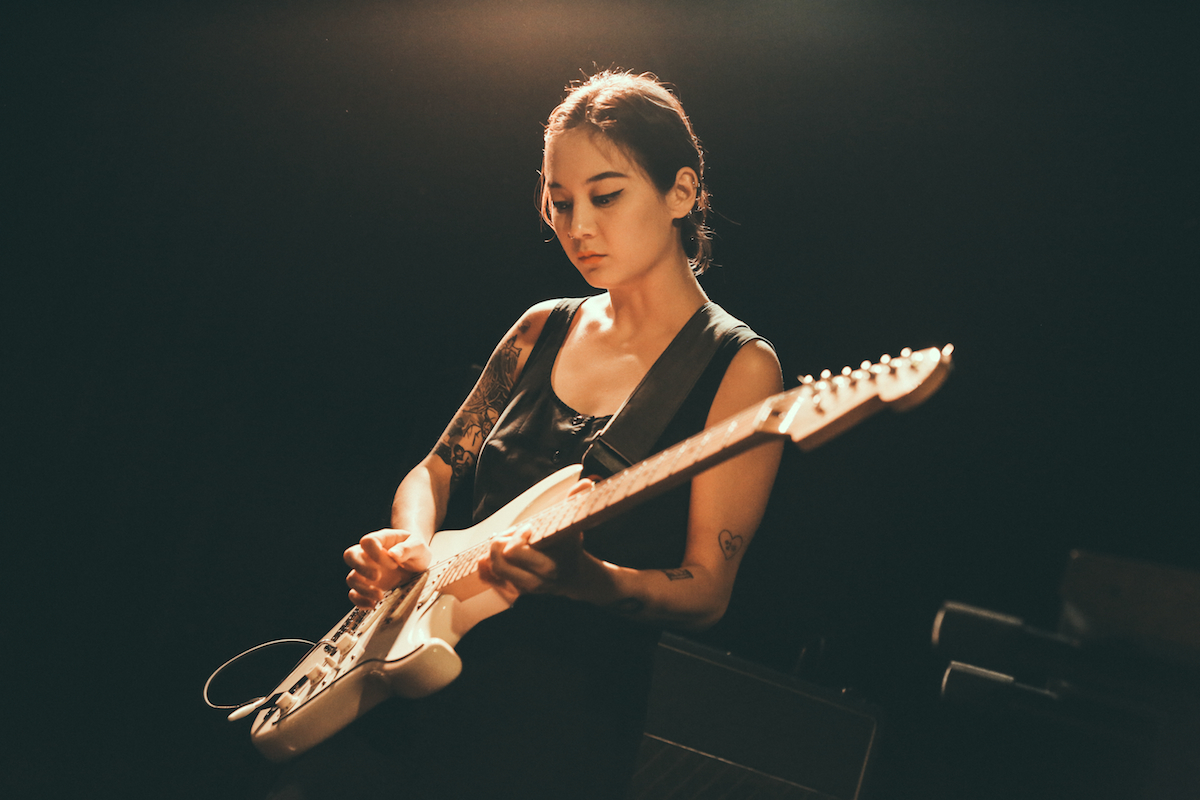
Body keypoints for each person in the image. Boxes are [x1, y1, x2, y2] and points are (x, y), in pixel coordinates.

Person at [285, 70, 784, 800]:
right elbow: (434, 471)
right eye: (559, 201)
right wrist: (410, 544)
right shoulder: (540, 327)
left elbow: (707, 590)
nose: (578, 226)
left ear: (681, 193)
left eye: (606, 196)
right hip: (410, 682)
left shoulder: (738, 367)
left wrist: (588, 579)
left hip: (555, 730)